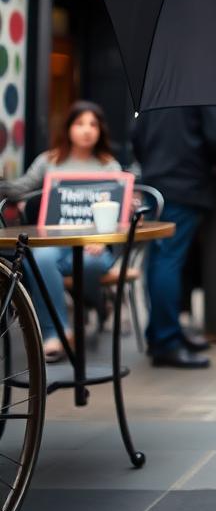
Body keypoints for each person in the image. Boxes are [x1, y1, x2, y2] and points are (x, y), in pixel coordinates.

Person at [0, 101, 121, 362]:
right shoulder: (49, 161)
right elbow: (19, 188)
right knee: (39, 259)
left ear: (101, 130)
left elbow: (119, 212)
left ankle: (96, 303)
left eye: (93, 124)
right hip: (54, 244)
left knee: (88, 264)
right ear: (68, 128)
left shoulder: (109, 166)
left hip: (94, 245)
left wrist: (102, 238)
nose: (87, 130)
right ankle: (57, 332)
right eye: (80, 123)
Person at [132, 105, 216, 368]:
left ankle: (161, 333)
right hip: (186, 182)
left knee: (159, 259)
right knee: (168, 261)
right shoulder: (208, 85)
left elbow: (136, 134)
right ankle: (166, 341)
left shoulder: (159, 83)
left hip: (156, 182)